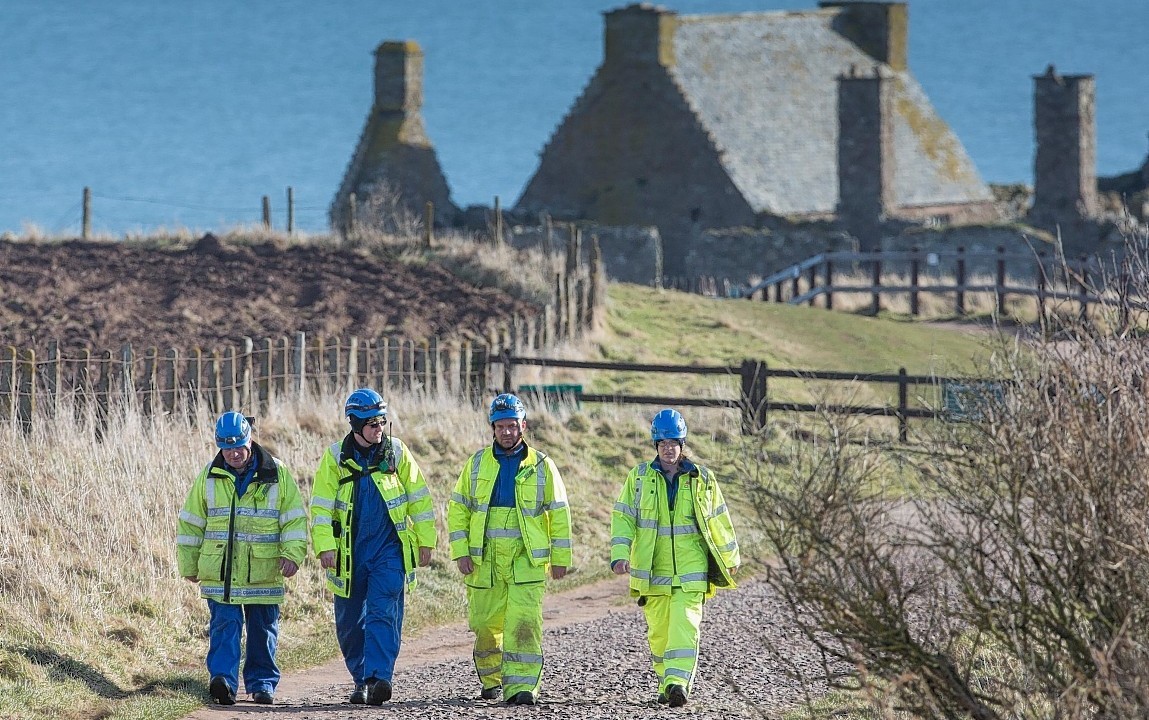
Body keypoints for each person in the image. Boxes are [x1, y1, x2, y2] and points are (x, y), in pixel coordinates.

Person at [310, 388, 437, 706]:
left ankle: (379, 677)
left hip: (389, 552)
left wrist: (426, 541)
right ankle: (361, 679)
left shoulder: (397, 452)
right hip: (349, 555)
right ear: (354, 424)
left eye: (381, 421)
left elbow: (419, 499)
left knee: (383, 613)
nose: (378, 428)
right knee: (350, 623)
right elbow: (321, 507)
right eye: (371, 423)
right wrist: (325, 546)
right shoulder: (335, 457)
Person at [447, 393, 572, 706]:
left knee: (523, 624)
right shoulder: (475, 464)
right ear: (492, 427)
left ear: (523, 426)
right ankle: (492, 679)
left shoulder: (543, 466)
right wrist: (461, 551)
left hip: (525, 560)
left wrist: (561, 558)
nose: (506, 432)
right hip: (484, 559)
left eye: (512, 426)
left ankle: (522, 687)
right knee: (485, 625)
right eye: (501, 426)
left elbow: (559, 514)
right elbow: (458, 509)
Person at [610, 408, 740, 708]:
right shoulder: (639, 478)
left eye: (674, 442)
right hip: (652, 573)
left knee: (685, 626)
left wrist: (730, 556)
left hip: (691, 572)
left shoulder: (701, 479)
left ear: (683, 444)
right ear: (656, 445)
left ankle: (677, 681)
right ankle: (665, 681)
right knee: (659, 635)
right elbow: (623, 518)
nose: (669, 448)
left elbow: (719, 519)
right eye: (663, 443)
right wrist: (619, 554)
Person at [176, 411, 308, 706]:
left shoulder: (277, 474)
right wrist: (189, 564)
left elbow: (294, 521)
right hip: (220, 572)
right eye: (227, 447)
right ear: (218, 445)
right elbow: (191, 523)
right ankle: (222, 680)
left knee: (263, 629)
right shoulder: (209, 477)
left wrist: (292, 554)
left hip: (264, 570)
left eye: (239, 446)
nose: (234, 453)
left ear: (250, 440)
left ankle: (262, 684)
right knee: (225, 625)